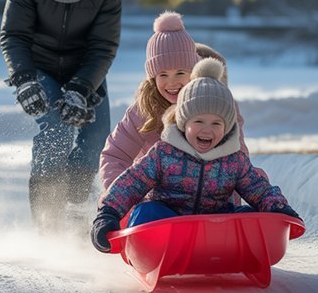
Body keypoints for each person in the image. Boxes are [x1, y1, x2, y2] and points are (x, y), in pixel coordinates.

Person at [91, 58, 301, 252]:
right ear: (183, 123)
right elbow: (132, 182)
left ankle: (238, 251)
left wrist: (278, 208)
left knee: (251, 216)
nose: (207, 130)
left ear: (227, 127)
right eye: (199, 122)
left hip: (213, 225)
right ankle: (146, 250)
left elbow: (258, 188)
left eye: (216, 123)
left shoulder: (234, 160)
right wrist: (108, 213)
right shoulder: (164, 153)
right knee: (145, 212)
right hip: (167, 225)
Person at [0, 0, 122, 229]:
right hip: (41, 68)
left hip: (87, 74)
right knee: (55, 130)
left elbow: (103, 46)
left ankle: (73, 208)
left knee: (96, 143)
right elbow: (13, 34)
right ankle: (47, 219)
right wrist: (25, 79)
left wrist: (83, 88)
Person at [99, 11, 257, 190]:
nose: (172, 82)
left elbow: (238, 160)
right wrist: (121, 201)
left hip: (212, 199)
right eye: (163, 74)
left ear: (194, 72)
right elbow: (116, 155)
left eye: (180, 73)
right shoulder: (145, 110)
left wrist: (237, 201)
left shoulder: (218, 105)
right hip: (159, 203)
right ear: (153, 77)